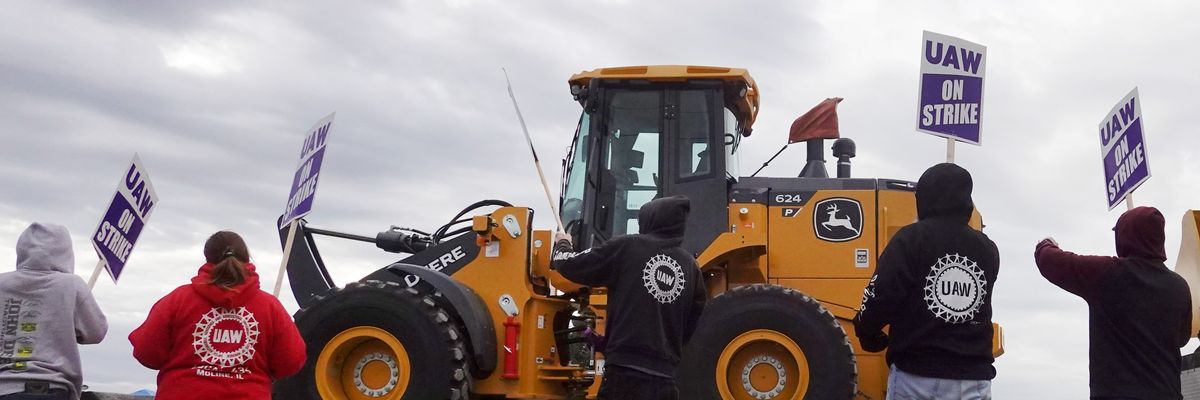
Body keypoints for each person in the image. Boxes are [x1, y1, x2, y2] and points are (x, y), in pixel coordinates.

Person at [854, 163, 1000, 400]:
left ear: (924, 198)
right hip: (976, 378)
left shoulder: (911, 239)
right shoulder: (988, 249)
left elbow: (882, 293)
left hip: (918, 375)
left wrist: (866, 329)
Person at [552, 195, 705, 400]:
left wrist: (562, 244)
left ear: (650, 220)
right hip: (665, 381)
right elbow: (690, 324)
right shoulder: (691, 266)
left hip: (624, 378)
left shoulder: (627, 248)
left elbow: (572, 265)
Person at [1034, 206, 1191, 399]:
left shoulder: (1108, 274)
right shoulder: (1179, 287)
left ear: (1125, 236)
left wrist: (1046, 244)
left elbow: (1051, 261)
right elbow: (1182, 339)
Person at [129, 231, 305, 399]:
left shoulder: (177, 300)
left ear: (207, 258)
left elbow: (146, 353)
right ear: (246, 258)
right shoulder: (270, 307)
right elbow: (291, 361)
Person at [0, 223, 107, 400]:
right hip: (49, 387)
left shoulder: (2, 283)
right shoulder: (71, 285)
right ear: (66, 252)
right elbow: (97, 332)